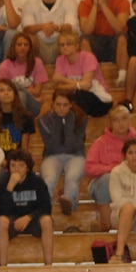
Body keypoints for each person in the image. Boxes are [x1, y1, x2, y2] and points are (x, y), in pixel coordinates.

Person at [85, 102, 136, 231]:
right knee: (107, 179)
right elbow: (89, 168)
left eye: (124, 119)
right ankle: (106, 224)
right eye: (116, 120)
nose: (120, 123)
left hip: (134, 184)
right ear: (110, 123)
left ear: (130, 121)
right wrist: (113, 169)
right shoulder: (100, 142)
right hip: (104, 184)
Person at [0, 147, 56, 265]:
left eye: (21, 165)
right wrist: (9, 188)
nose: (16, 169)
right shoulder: (3, 182)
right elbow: (1, 209)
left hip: (33, 219)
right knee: (1, 221)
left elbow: (46, 207)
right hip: (12, 219)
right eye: (13, 165)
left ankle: (49, 264)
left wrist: (29, 217)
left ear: (27, 168)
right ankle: (3, 266)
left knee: (47, 220)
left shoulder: (37, 181)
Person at [37, 89, 89, 223]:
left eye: (65, 105)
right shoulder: (44, 120)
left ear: (71, 105)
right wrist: (58, 122)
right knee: (49, 179)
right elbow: (51, 146)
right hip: (52, 155)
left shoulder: (81, 118)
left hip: (75, 155)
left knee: (72, 177)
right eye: (58, 104)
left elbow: (74, 146)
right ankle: (43, 209)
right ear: (52, 104)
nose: (61, 108)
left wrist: (69, 121)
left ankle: (68, 200)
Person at [50, 26, 113, 117]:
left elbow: (87, 86)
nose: (65, 47)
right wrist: (79, 84)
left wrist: (64, 80)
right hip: (79, 97)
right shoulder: (60, 60)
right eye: (62, 45)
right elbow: (60, 87)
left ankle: (77, 122)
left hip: (100, 99)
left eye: (68, 44)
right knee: (60, 96)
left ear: (76, 46)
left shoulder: (88, 57)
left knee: (79, 94)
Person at [0, 32, 49, 134]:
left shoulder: (37, 62)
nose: (22, 47)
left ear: (30, 48)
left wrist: (15, 90)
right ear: (13, 46)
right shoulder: (5, 65)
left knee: (20, 93)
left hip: (33, 104)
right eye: (19, 45)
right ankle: (21, 124)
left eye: (26, 45)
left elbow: (37, 90)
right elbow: (0, 89)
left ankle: (18, 123)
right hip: (10, 105)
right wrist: (24, 91)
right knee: (21, 94)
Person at [19, 0, 72, 66]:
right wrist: (42, 27)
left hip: (60, 42)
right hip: (39, 44)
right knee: (29, 38)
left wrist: (56, 28)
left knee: (70, 37)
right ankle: (33, 70)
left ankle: (68, 71)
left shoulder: (68, 1)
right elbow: (26, 28)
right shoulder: (30, 3)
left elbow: (72, 27)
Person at [77, 0, 126, 65]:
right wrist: (95, 6)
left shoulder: (121, 0)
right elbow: (86, 31)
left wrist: (103, 5)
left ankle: (122, 75)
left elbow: (120, 28)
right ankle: (91, 75)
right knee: (84, 39)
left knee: (122, 37)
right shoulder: (85, 3)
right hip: (96, 40)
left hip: (113, 39)